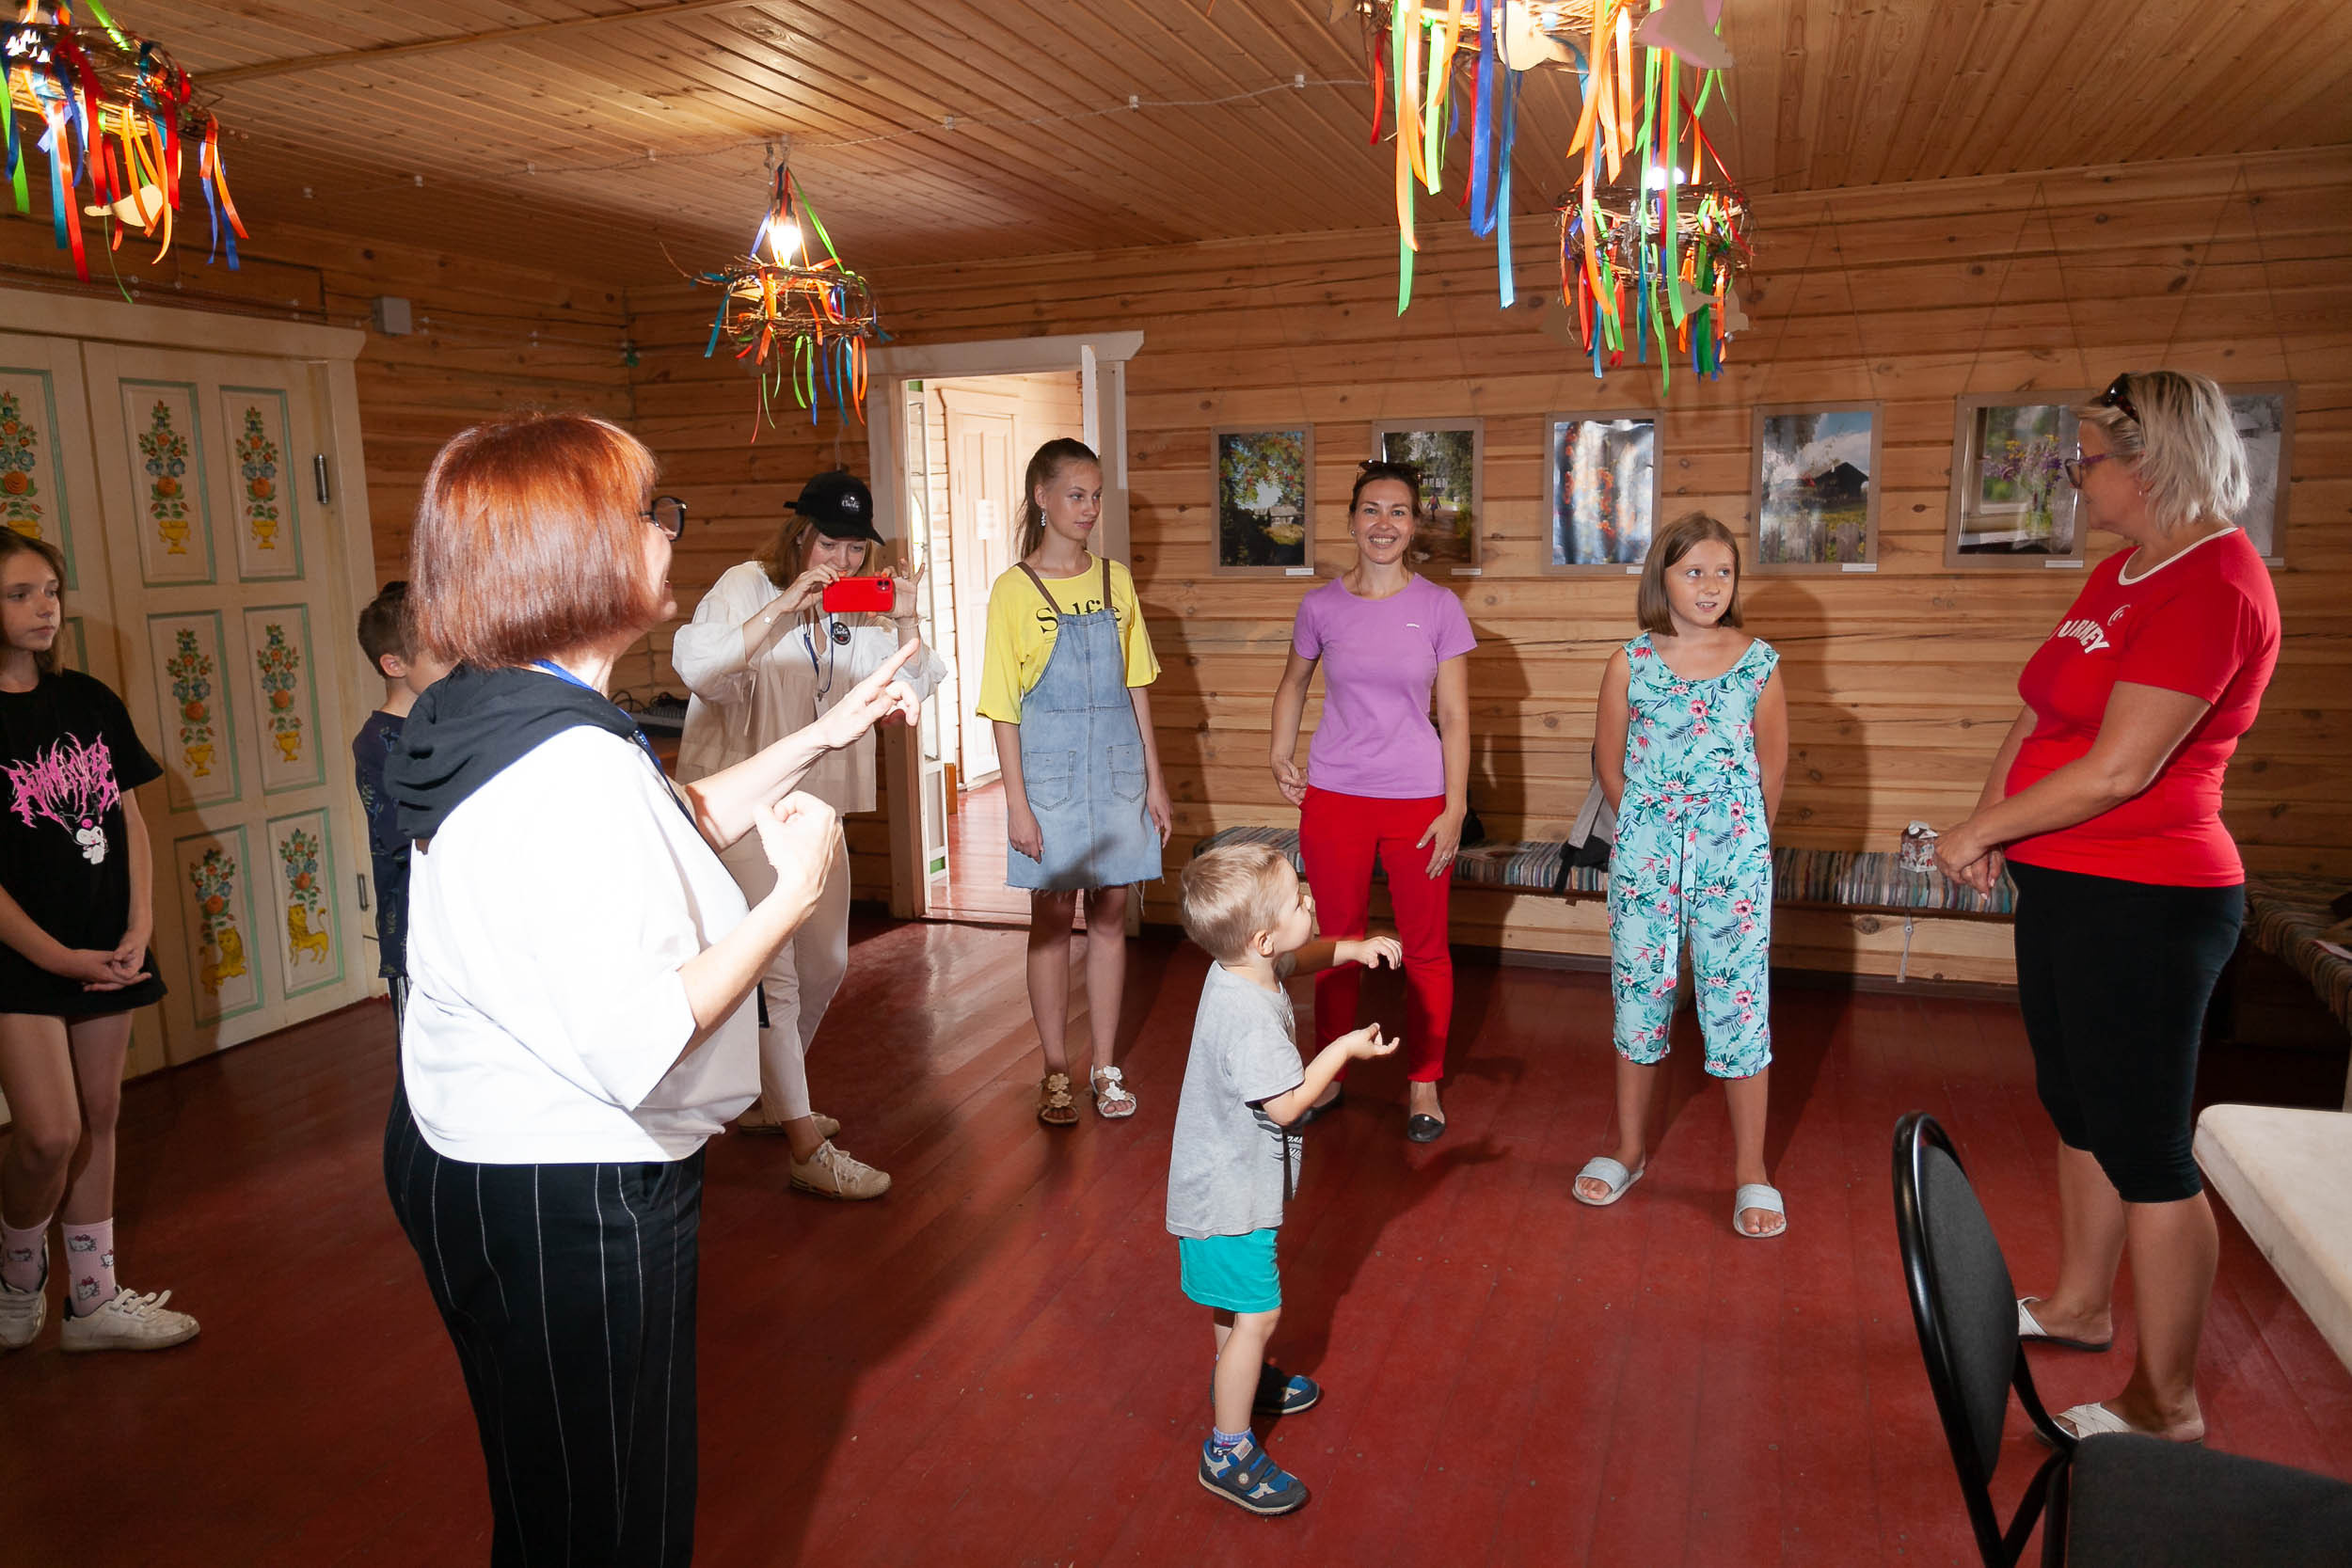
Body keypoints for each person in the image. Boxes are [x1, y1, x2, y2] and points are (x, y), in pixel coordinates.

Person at [380, 412, 919, 1564]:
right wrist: (793, 892)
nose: (668, 527)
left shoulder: (505, 705)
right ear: (574, 555)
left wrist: (828, 727)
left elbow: (676, 813)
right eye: (647, 511)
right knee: (612, 1522)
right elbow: (643, 1029)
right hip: (566, 1186)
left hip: (479, 1152)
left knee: (558, 1502)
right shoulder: (564, 762)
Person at [1929, 371, 2280, 1444]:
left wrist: (1983, 832)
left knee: (2146, 1147)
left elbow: (2122, 767)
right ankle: (2081, 1305)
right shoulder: (2122, 571)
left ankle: (2165, 1402)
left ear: (2151, 462)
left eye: (2085, 460)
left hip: (2149, 900)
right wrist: (1989, 819)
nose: (2073, 477)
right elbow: (2043, 710)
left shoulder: (2216, 584)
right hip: (2069, 884)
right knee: (2077, 1106)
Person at [673, 469, 945, 1200]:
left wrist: (908, 617)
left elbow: (917, 684)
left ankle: (770, 1097)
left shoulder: (854, 608)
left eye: (856, 548)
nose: (842, 561)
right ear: (800, 536)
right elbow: (695, 665)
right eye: (830, 543)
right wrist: (783, 608)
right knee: (779, 975)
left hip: (814, 809)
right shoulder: (747, 586)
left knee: (825, 961)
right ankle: (803, 1144)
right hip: (740, 805)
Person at [0, 531, 198, 1353]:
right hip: (19, 957)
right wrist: (56, 958)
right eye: (20, 593)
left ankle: (93, 1300)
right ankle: (16, 1275)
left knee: (102, 1114)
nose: (45, 607)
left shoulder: (87, 699)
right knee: (50, 1132)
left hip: (107, 944)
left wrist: (139, 923)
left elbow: (129, 818)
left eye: (51, 590)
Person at [1573, 513, 1789, 1238]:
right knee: (1639, 994)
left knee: (1738, 1003)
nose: (1710, 584)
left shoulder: (1760, 663)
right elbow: (1609, 765)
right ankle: (1629, 1149)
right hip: (1647, 854)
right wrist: (1649, 829)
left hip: (1734, 859)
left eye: (1723, 571)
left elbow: (1771, 771)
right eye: (1693, 570)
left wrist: (1740, 845)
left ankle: (1752, 1170)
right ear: (1660, 578)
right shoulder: (1628, 663)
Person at [1170, 842, 1401, 1515]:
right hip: (1227, 1196)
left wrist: (1352, 949)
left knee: (1235, 1303)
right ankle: (1227, 1449)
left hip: (1222, 1179)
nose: (1310, 900)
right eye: (1299, 900)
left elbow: (1299, 958)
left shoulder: (1242, 965)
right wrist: (1344, 1048)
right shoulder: (1248, 1021)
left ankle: (1239, 1381)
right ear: (1263, 938)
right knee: (1260, 1312)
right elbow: (1290, 1105)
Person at [1267, 460, 1475, 1142]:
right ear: (1352, 520)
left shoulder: (1440, 607)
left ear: (1414, 526)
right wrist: (1279, 750)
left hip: (1418, 801)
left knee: (1426, 947)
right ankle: (1329, 1074)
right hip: (1335, 796)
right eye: (1371, 510)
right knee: (1336, 942)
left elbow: (1455, 715)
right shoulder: (1321, 606)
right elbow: (1294, 682)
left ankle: (1424, 1080)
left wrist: (1454, 807)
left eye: (1398, 511)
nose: (1384, 524)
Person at [977, 437, 1172, 1126]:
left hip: (1118, 773)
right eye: (1075, 495)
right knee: (1053, 921)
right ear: (1042, 497)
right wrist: (1017, 806)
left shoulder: (1116, 582)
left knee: (1112, 916)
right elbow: (1003, 708)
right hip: (1050, 780)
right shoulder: (1012, 590)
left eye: (1095, 496)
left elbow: (1138, 685)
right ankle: (1056, 1068)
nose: (1088, 508)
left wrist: (1155, 781)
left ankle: (1106, 1066)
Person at [350, 580, 449, 1029]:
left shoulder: (452, 725)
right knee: (418, 1055)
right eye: (442, 654)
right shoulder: (377, 743)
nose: (459, 662)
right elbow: (406, 833)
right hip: (415, 930)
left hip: (463, 922)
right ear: (394, 664)